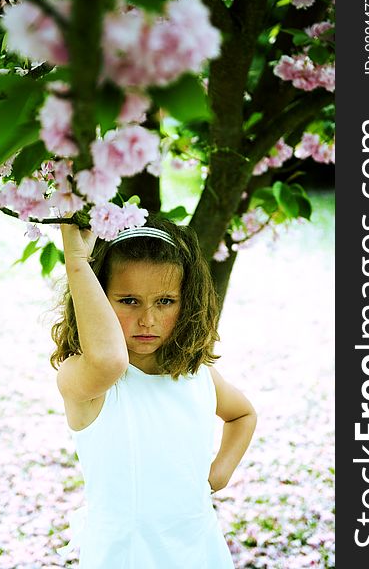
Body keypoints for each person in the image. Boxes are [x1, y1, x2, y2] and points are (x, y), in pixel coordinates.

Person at [50, 213, 257, 568]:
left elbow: (243, 414)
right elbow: (108, 359)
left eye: (165, 301)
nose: (148, 318)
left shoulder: (197, 375)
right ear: (98, 299)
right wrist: (78, 264)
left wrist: (219, 472)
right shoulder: (88, 380)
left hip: (198, 548)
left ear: (186, 301)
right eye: (128, 301)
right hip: (126, 556)